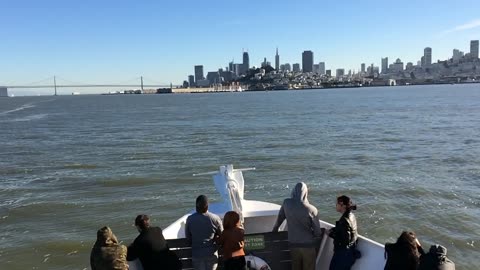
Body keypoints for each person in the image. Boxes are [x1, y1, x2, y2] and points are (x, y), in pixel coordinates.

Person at [272, 182, 323, 270]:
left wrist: (275, 229)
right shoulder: (312, 209)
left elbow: (280, 218)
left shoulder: (286, 203)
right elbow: (318, 232)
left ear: (294, 191)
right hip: (308, 246)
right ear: (306, 193)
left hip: (293, 245)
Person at [185, 195, 223, 270]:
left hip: (197, 254)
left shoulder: (190, 219)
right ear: (207, 206)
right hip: (211, 253)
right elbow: (222, 235)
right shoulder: (215, 218)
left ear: (196, 206)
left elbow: (188, 238)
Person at [328, 195, 359, 270]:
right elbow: (347, 231)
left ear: (342, 205)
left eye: (337, 203)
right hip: (350, 253)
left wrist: (330, 233)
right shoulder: (351, 215)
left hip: (343, 255)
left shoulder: (345, 220)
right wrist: (335, 229)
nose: (336, 205)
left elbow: (345, 240)